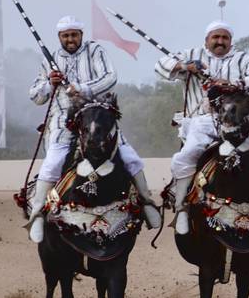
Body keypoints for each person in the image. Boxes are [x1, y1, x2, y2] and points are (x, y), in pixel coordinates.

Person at [26, 16, 161, 243]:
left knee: (131, 158)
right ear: (59, 37)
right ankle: (37, 214)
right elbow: (36, 96)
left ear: (81, 34)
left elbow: (110, 77)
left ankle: (147, 202)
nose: (70, 39)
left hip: (98, 119)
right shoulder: (50, 59)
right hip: (62, 122)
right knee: (52, 164)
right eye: (65, 35)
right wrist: (50, 83)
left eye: (74, 34)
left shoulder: (95, 50)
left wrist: (82, 88)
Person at [155, 20, 249, 235]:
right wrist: (185, 66)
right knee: (187, 154)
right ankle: (181, 208)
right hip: (204, 118)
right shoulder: (192, 53)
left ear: (230, 40)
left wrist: (236, 84)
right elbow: (160, 66)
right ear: (207, 40)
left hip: (244, 118)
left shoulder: (242, 58)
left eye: (224, 37)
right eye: (215, 38)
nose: (220, 41)